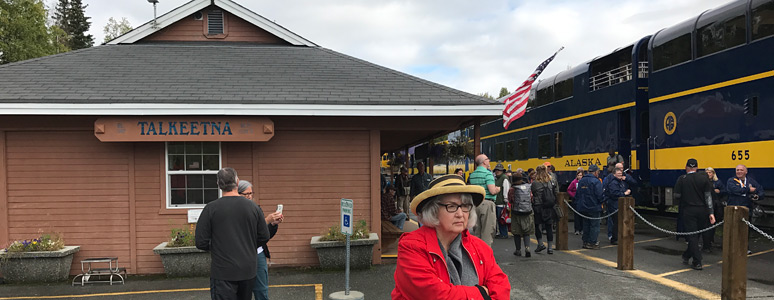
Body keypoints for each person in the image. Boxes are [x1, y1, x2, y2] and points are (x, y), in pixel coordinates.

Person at [392, 175, 511, 299]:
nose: (460, 214)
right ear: (433, 210)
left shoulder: (480, 247)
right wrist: (481, 293)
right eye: (451, 206)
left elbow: (501, 286)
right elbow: (433, 295)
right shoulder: (411, 246)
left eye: (465, 206)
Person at [196, 168, 271, 300]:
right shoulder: (253, 207)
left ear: (218, 185)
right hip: (248, 270)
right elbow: (264, 236)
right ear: (237, 181)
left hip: (223, 271)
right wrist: (247, 245)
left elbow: (201, 242)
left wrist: (219, 247)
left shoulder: (211, 209)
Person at [238, 181, 283, 300]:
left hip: (258, 254)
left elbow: (263, 236)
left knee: (261, 291)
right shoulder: (235, 211)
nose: (249, 196)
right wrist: (266, 220)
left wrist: (272, 224)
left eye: (251, 193)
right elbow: (246, 234)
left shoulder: (256, 209)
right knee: (241, 292)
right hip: (240, 256)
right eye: (245, 194)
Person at [673, 158, 715, 270]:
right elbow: (708, 197)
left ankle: (697, 261)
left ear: (686, 167)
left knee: (692, 235)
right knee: (698, 234)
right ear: (697, 168)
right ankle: (686, 255)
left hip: (688, 210)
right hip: (703, 210)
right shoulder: (704, 179)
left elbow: (676, 196)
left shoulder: (682, 179)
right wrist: (711, 212)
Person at [726, 164, 764, 255]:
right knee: (733, 229)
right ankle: (731, 248)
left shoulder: (751, 181)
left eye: (741, 170)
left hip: (747, 209)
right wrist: (748, 190)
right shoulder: (731, 181)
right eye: (737, 170)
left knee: (745, 230)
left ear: (746, 172)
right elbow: (734, 190)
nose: (739, 172)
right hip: (734, 209)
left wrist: (757, 196)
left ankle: (744, 248)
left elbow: (760, 190)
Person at [468, 154, 499, 246]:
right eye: (487, 159)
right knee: (487, 231)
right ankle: (486, 256)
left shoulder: (472, 175)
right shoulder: (488, 174)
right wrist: (498, 189)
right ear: (484, 162)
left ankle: (477, 255)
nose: (489, 160)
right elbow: (492, 191)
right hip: (487, 203)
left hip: (476, 204)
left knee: (477, 231)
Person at [576, 164, 604, 249]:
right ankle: (592, 242)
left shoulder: (581, 181)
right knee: (594, 225)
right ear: (595, 172)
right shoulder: (596, 181)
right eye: (598, 172)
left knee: (586, 224)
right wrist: (602, 201)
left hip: (583, 206)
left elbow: (577, 194)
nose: (598, 173)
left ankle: (585, 241)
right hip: (594, 207)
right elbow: (600, 195)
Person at [531, 165, 557, 254]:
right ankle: (550, 248)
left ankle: (540, 244)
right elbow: (555, 192)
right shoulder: (551, 181)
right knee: (549, 227)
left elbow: (533, 193)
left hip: (538, 206)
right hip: (549, 207)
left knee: (537, 226)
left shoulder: (535, 183)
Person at [509, 174, 534, 257]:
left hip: (516, 212)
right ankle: (527, 248)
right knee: (526, 231)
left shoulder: (512, 189)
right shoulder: (528, 187)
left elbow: (510, 199)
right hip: (527, 212)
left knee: (517, 232)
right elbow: (531, 198)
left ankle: (518, 250)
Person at [603, 168, 631, 245]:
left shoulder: (620, 182)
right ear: (614, 174)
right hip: (614, 205)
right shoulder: (613, 183)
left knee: (619, 222)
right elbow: (614, 194)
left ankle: (619, 237)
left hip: (619, 204)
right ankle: (614, 239)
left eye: (621, 174)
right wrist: (624, 194)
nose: (620, 175)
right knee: (616, 222)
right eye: (618, 174)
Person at [703, 167, 725, 251]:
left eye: (710, 172)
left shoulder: (717, 182)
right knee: (706, 224)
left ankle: (710, 240)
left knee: (713, 224)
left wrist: (719, 191)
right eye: (707, 172)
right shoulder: (704, 182)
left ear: (713, 173)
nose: (709, 174)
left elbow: (724, 190)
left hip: (716, 205)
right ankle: (707, 243)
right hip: (707, 206)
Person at [493, 163, 509, 239]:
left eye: (499, 170)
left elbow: (506, 190)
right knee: (499, 218)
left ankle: (504, 233)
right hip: (497, 201)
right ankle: (502, 233)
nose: (497, 171)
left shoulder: (504, 178)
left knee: (501, 218)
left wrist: (505, 200)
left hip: (501, 202)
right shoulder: (496, 178)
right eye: (496, 170)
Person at [567, 170, 584, 235]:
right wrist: (573, 196)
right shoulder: (574, 182)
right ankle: (577, 229)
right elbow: (569, 190)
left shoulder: (584, 182)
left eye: (581, 175)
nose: (579, 177)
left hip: (582, 200)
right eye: (578, 175)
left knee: (582, 215)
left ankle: (582, 229)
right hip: (576, 200)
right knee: (576, 216)